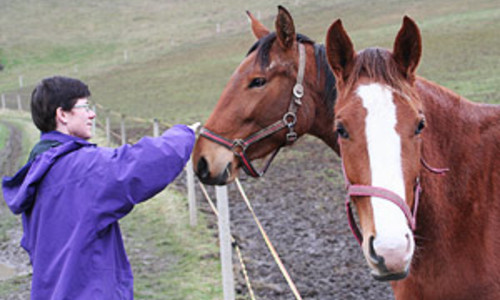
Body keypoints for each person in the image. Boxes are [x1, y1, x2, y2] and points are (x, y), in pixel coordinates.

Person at [2, 76, 198, 299]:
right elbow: (135, 166)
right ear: (62, 115)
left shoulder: (39, 170)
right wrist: (183, 136)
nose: (92, 114)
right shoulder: (80, 168)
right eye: (84, 107)